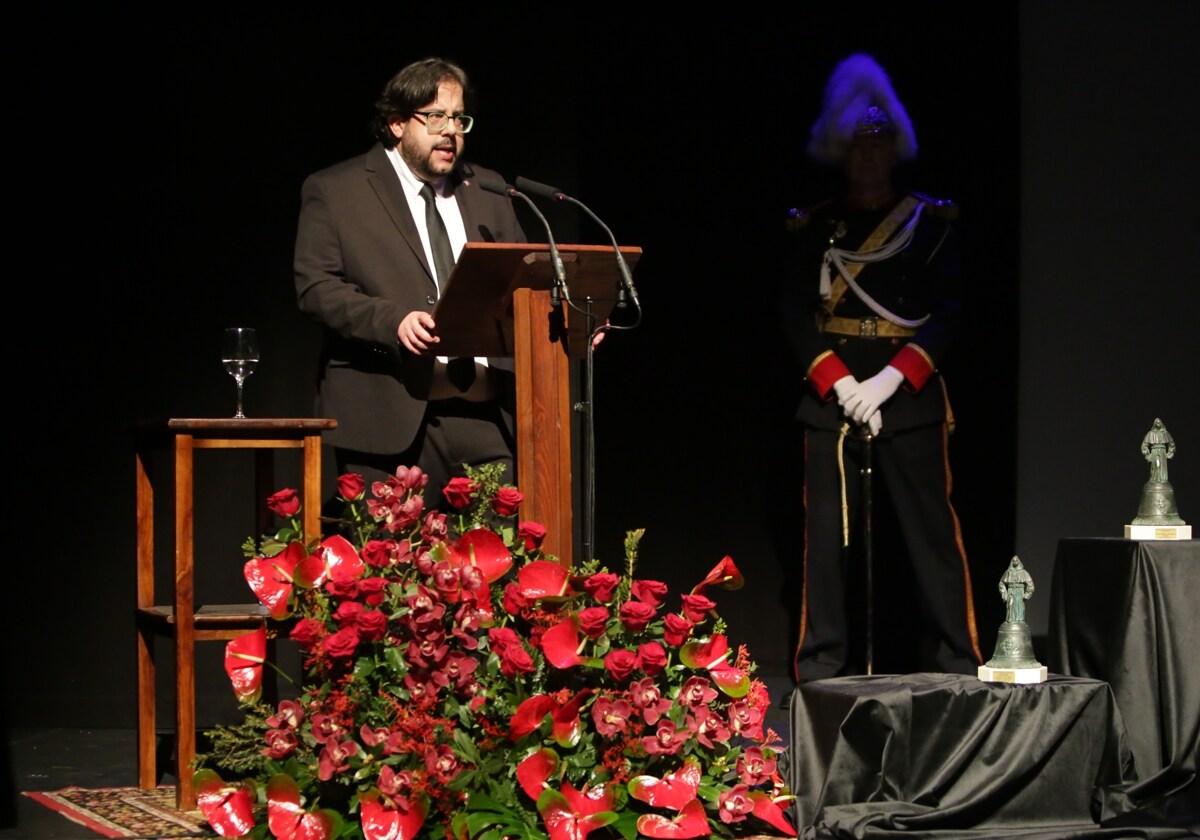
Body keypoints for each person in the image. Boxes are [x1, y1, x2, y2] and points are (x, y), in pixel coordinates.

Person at [781, 53, 983, 681]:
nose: (867, 156)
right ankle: (820, 669)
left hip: (906, 393)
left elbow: (948, 314)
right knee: (826, 547)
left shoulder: (929, 224)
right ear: (841, 151)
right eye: (856, 145)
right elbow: (792, 313)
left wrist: (891, 379)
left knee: (931, 541)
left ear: (895, 149)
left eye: (878, 144)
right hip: (835, 397)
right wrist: (840, 382)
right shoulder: (812, 227)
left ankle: (956, 660)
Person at [294, 57, 525, 514]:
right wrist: (392, 320)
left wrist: (569, 317)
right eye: (435, 117)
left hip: (487, 420)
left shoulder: (489, 190)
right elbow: (316, 287)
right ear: (397, 123)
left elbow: (522, 278)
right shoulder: (337, 191)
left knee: (496, 575)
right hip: (390, 419)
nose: (450, 131)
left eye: (459, 118)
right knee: (392, 580)